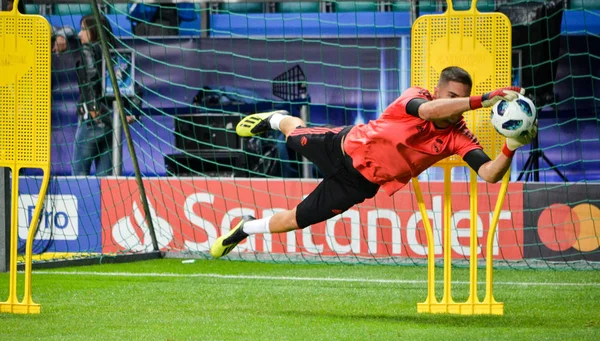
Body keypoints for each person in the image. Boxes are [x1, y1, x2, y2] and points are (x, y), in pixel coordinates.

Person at [210, 66, 538, 258]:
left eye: (460, 99)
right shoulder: (416, 96)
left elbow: (490, 174)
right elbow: (427, 112)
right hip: (344, 146)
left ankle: (245, 228)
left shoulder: (459, 136)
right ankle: (276, 117)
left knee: (299, 219)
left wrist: (510, 146)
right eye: (451, 98)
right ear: (438, 92)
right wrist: (481, 100)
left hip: (359, 184)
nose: (455, 106)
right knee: (293, 136)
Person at [71, 14, 139, 176]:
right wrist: (130, 113)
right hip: (112, 124)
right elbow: (135, 87)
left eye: (83, 30)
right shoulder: (117, 53)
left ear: (94, 31)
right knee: (107, 180)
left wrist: (95, 110)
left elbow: (90, 80)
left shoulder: (87, 50)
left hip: (93, 120)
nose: (79, 34)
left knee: (78, 177)